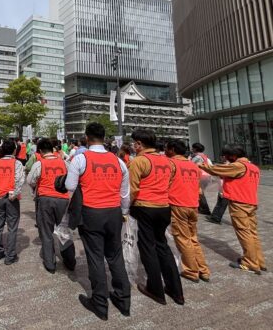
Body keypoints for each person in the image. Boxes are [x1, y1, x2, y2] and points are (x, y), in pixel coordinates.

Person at [65, 123, 131, 321]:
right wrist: (124, 212)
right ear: (104, 137)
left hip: (91, 213)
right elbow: (125, 194)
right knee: (115, 256)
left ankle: (100, 303)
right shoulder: (119, 161)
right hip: (114, 213)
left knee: (95, 257)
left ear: (87, 138)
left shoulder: (80, 159)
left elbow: (69, 186)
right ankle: (123, 300)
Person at [128, 129, 184, 306]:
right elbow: (169, 183)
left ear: (139, 144)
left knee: (147, 248)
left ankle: (155, 289)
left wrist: (126, 208)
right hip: (164, 207)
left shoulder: (139, 161)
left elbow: (133, 189)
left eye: (134, 143)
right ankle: (176, 291)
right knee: (162, 246)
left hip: (145, 207)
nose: (133, 146)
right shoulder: (168, 162)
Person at [198, 145, 266, 274]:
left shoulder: (238, 166)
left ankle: (250, 263)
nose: (225, 159)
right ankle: (258, 260)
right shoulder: (254, 167)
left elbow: (215, 169)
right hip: (251, 202)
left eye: (226, 156)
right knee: (252, 233)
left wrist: (200, 165)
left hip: (239, 203)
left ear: (233, 156)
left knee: (244, 233)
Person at [166, 139, 210, 283]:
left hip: (178, 205)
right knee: (193, 238)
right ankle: (203, 270)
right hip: (193, 205)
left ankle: (191, 271)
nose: (165, 151)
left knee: (183, 239)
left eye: (167, 148)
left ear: (172, 149)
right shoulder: (193, 165)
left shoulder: (170, 164)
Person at [27, 138, 71, 274]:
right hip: (63, 199)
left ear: (40, 151)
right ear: (52, 149)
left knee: (46, 231)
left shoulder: (39, 164)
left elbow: (30, 180)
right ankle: (70, 260)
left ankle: (50, 263)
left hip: (45, 199)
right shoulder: (64, 162)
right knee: (64, 230)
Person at [0, 139, 25, 265]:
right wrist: (14, 194)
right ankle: (10, 255)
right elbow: (20, 180)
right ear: (14, 150)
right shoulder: (17, 163)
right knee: (12, 227)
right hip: (11, 198)